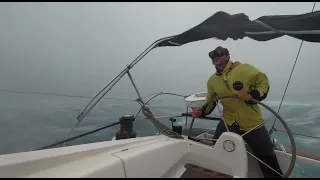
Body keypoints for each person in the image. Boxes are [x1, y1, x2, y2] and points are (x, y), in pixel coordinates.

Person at [192, 46, 283, 178]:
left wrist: (254, 95)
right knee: (217, 145)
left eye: (219, 54)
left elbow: (263, 81)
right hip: (228, 121)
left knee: (266, 153)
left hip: (251, 122)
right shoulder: (212, 81)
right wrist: (201, 112)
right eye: (213, 56)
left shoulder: (244, 69)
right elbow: (210, 101)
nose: (215, 57)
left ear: (228, 56)